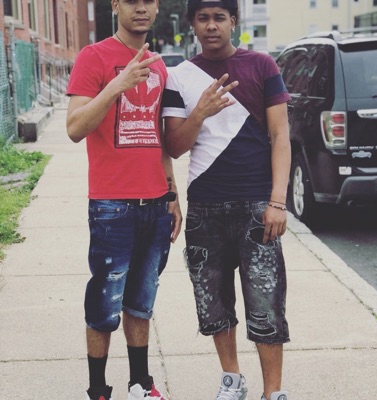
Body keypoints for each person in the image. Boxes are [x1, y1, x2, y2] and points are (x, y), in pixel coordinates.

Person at [161, 1, 291, 400]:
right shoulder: (180, 75)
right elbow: (174, 146)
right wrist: (199, 113)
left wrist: (278, 201)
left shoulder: (261, 65)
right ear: (192, 24)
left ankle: (273, 392)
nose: (212, 26)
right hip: (205, 207)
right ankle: (232, 379)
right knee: (213, 304)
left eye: (220, 17)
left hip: (257, 205)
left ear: (234, 21)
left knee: (266, 304)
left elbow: (281, 135)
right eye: (203, 18)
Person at [66, 0, 182, 399]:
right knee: (104, 304)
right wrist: (118, 84)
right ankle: (98, 390)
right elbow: (75, 128)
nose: (141, 8)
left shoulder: (160, 66)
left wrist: (172, 192)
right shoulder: (93, 56)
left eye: (148, 1)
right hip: (111, 205)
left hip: (155, 203)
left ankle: (140, 383)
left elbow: (160, 139)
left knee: (141, 301)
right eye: (132, 0)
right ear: (116, 4)